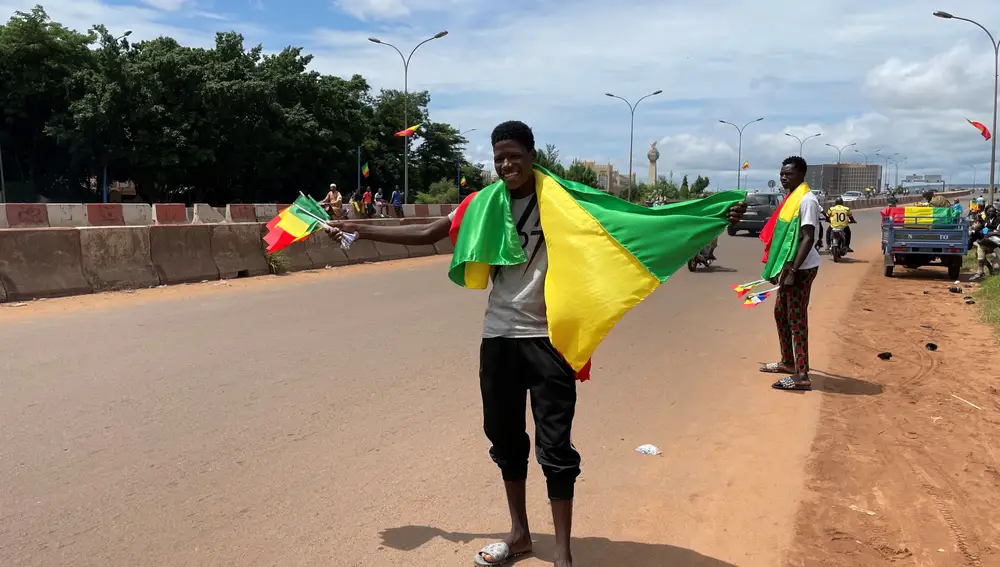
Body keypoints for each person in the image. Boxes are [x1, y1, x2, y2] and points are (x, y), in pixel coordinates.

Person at [324, 120, 745, 567]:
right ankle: (520, 533)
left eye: (514, 157)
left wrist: (712, 215)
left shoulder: (564, 201)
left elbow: (641, 220)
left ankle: (562, 553)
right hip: (499, 338)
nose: (506, 165)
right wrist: (359, 228)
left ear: (531, 156)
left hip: (550, 340)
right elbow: (429, 233)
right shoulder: (483, 204)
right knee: (505, 439)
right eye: (498, 158)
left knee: (556, 447)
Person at [760, 156, 822, 391]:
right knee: (780, 314)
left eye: (789, 174)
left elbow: (808, 237)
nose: (784, 177)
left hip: (802, 268)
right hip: (790, 266)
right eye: (782, 173)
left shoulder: (806, 201)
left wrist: (792, 270)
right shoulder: (790, 199)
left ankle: (802, 374)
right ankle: (788, 362)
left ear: (801, 175)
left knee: (796, 319)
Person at [970, 205, 1000, 281]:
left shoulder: (998, 219)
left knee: (996, 268)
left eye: (993, 211)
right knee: (980, 252)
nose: (991, 213)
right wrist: (980, 232)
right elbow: (985, 229)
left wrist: (991, 233)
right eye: (989, 211)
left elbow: (997, 230)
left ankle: (994, 271)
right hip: (988, 241)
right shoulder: (987, 219)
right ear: (987, 212)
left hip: (997, 244)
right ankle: (980, 272)